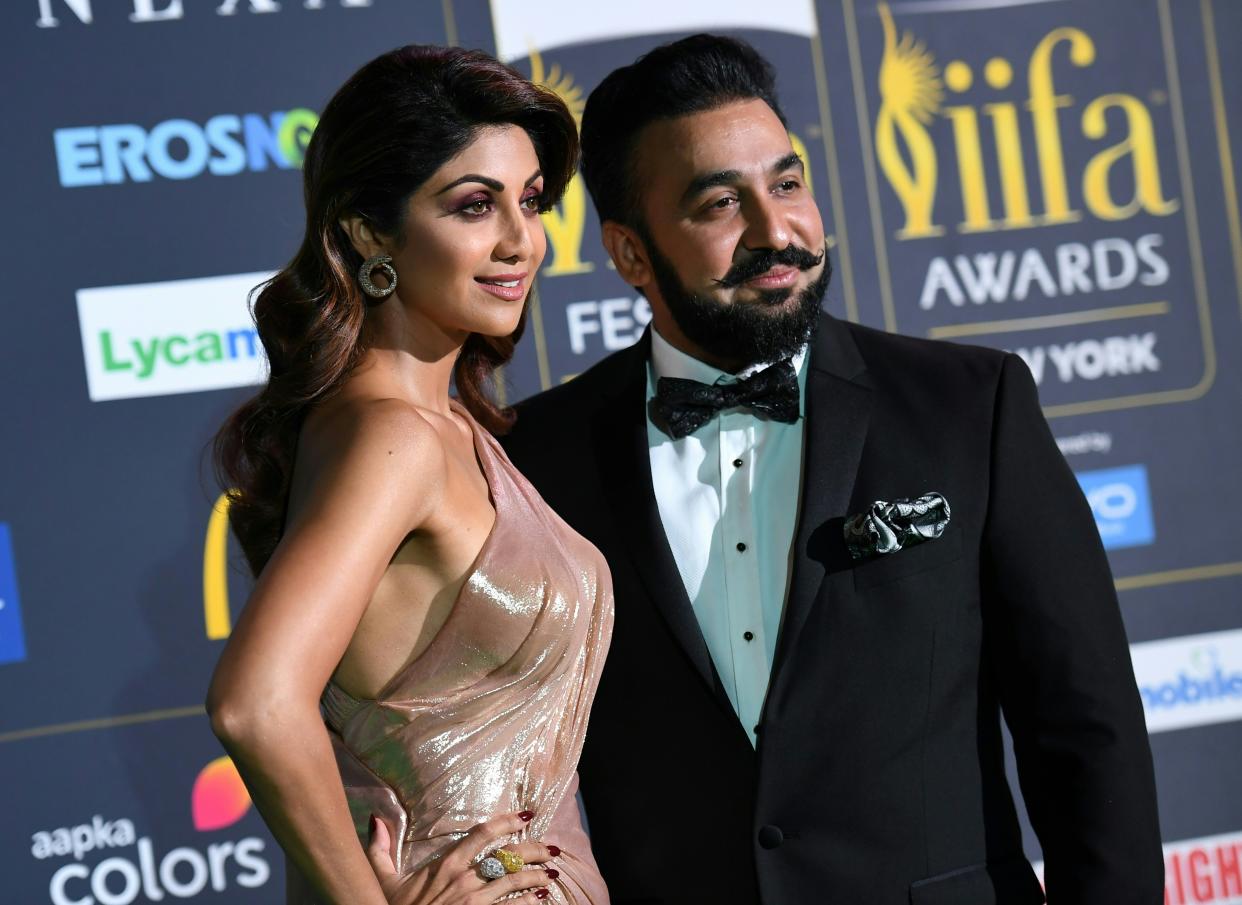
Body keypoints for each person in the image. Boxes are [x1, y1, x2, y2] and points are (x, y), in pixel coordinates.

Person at [501, 34, 1163, 905]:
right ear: (629, 254)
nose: (778, 231)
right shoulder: (533, 459)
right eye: (719, 204)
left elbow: (1089, 734)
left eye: (787, 182)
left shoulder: (970, 406)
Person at [206, 45, 612, 905]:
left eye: (531, 201)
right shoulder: (392, 438)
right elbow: (255, 702)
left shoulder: (447, 427)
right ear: (367, 231)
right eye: (473, 206)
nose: (520, 242)